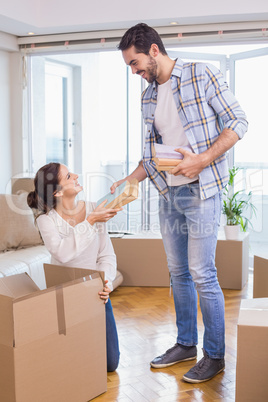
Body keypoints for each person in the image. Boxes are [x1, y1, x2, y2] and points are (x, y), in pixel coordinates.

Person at [112, 23, 248, 383]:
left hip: (201, 190)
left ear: (154, 50)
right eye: (131, 66)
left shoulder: (201, 74)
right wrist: (128, 181)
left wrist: (202, 159)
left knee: (203, 274)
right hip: (168, 193)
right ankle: (185, 343)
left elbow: (239, 120)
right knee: (178, 273)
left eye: (136, 63)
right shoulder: (148, 97)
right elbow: (151, 156)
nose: (135, 72)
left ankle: (214, 355)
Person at [27, 162, 121, 372]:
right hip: (65, 294)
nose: (77, 175)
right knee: (69, 359)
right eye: (69, 176)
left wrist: (107, 283)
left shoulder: (94, 207)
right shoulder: (46, 221)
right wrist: (89, 222)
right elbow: (62, 253)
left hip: (96, 292)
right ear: (58, 192)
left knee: (111, 363)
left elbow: (106, 254)